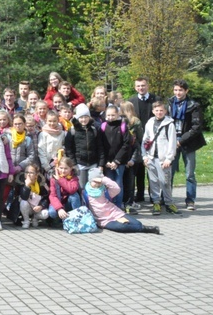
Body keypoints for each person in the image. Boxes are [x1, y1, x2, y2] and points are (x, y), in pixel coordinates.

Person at [168, 79, 207, 211]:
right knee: (169, 172)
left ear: (186, 91)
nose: (178, 93)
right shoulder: (169, 103)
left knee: (189, 174)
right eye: (175, 90)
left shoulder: (193, 105)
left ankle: (190, 200)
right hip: (172, 142)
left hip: (188, 143)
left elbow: (196, 127)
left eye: (180, 90)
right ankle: (167, 199)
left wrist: (181, 140)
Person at [84, 169, 160, 234]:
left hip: (115, 213)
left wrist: (103, 179)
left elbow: (117, 188)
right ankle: (146, 229)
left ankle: (141, 227)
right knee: (122, 227)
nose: (98, 184)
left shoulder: (104, 191)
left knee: (137, 223)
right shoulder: (85, 193)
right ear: (90, 181)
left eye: (99, 182)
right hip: (104, 220)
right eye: (95, 182)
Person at [142, 102, 178, 216]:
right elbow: (145, 140)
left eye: (161, 110)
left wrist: (169, 158)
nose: (159, 112)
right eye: (156, 110)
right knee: (153, 182)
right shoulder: (150, 122)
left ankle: (169, 203)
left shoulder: (169, 124)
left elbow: (172, 143)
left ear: (165, 111)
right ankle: (156, 202)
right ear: (153, 111)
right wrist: (145, 156)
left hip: (163, 159)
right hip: (151, 157)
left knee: (165, 182)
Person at [100, 105, 132, 209]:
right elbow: (101, 146)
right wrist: (105, 161)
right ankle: (110, 205)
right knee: (109, 184)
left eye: (113, 115)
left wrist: (117, 161)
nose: (110, 117)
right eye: (108, 115)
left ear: (117, 114)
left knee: (118, 184)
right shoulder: (103, 126)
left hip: (119, 162)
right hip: (108, 162)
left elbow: (126, 145)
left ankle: (118, 206)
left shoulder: (122, 126)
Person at [64, 103, 103, 188]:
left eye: (86, 117)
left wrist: (101, 164)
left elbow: (100, 147)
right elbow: (69, 149)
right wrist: (73, 164)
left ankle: (92, 202)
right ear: (77, 118)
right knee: (82, 187)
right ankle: (83, 201)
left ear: (89, 117)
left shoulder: (94, 130)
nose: (84, 119)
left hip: (93, 163)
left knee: (94, 186)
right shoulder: (72, 131)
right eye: (81, 117)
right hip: (80, 164)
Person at [120, 101, 143, 214]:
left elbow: (136, 144)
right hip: (128, 157)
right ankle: (128, 201)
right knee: (129, 181)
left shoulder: (122, 122)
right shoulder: (136, 121)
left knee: (127, 180)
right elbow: (140, 137)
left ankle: (127, 202)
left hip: (130, 156)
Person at [19, 163, 49, 229]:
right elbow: (24, 197)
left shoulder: (41, 184)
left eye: (31, 172)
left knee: (46, 214)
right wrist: (27, 186)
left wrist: (41, 206)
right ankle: (26, 220)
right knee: (23, 202)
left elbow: (46, 198)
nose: (28, 174)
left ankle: (35, 218)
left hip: (36, 208)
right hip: (27, 208)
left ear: (36, 175)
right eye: (26, 172)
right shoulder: (21, 183)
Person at [38, 111, 66, 178]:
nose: (52, 123)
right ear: (46, 121)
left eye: (54, 121)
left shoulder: (62, 133)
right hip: (47, 165)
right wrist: (47, 167)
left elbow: (63, 146)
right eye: (50, 121)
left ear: (58, 121)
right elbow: (41, 151)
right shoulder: (43, 134)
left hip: (59, 164)